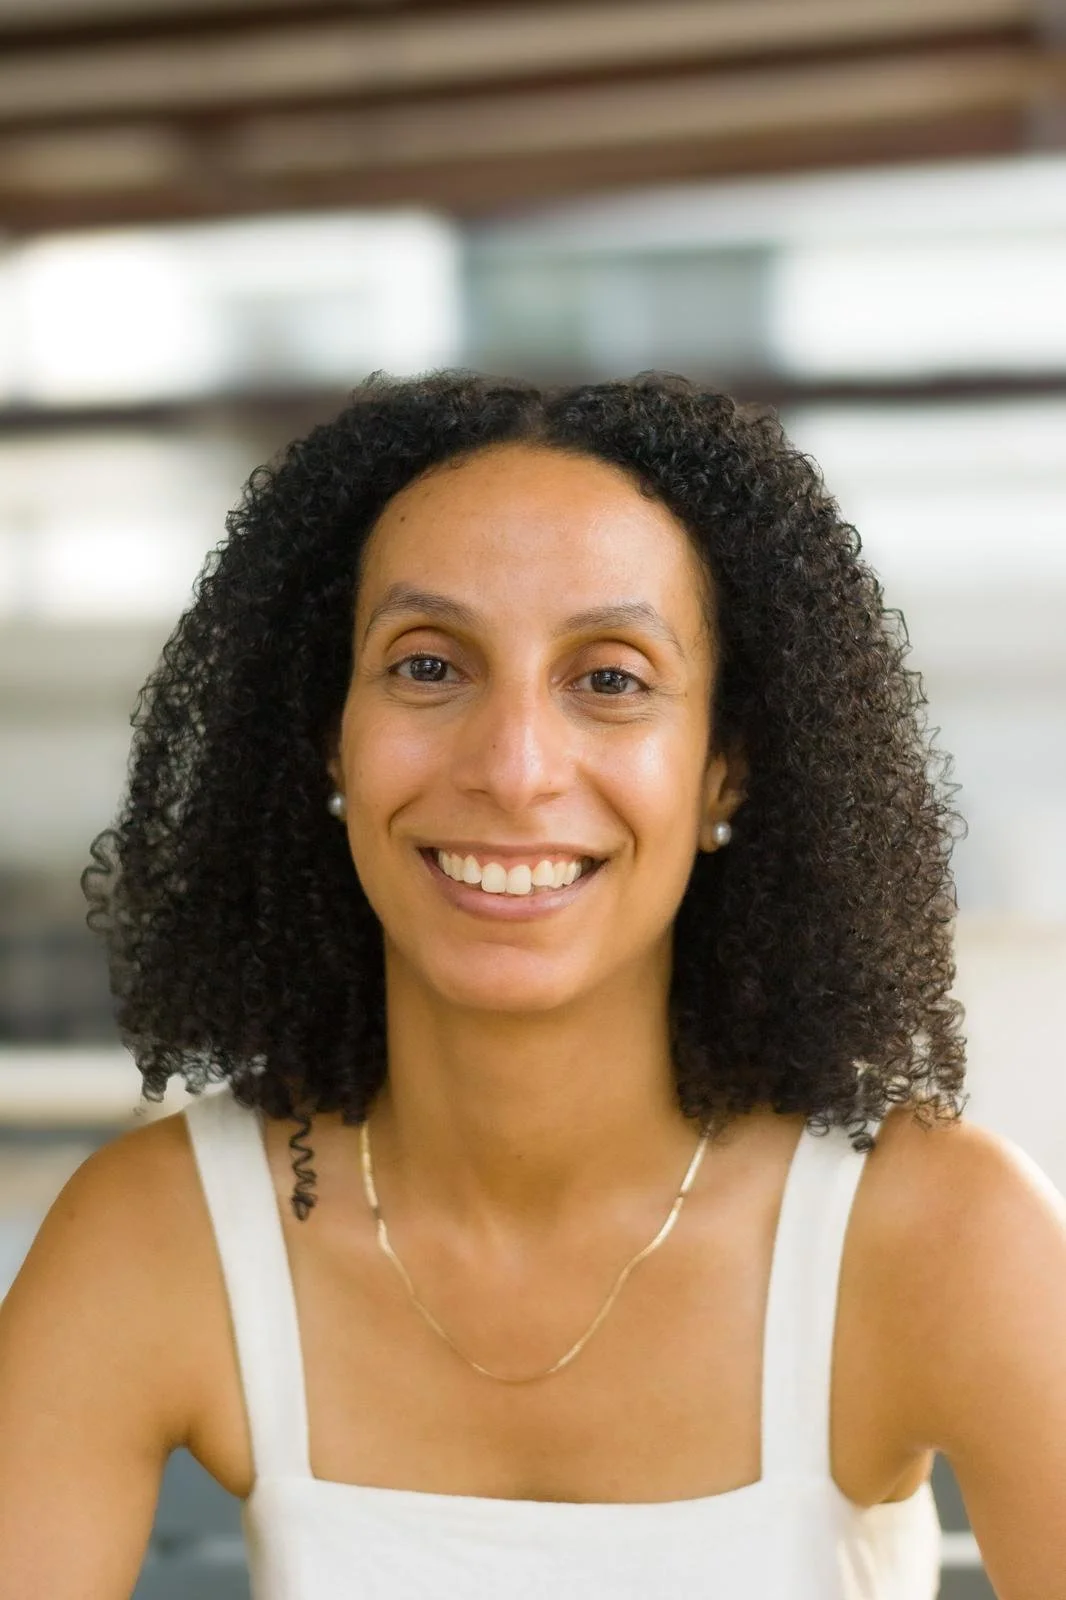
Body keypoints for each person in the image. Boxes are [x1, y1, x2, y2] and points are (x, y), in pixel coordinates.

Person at [1, 372, 1064, 1599]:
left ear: (723, 767)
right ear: (326, 739)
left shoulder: (939, 1237)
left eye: (609, 678)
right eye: (427, 667)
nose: (513, 767)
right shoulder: (155, 1240)